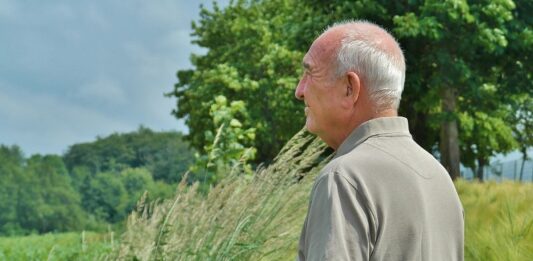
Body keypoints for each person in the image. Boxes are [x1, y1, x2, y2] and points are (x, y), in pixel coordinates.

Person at [295, 20, 464, 261]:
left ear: (349, 88)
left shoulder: (344, 178)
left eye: (310, 73)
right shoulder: (439, 176)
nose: (299, 90)